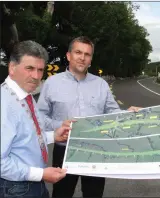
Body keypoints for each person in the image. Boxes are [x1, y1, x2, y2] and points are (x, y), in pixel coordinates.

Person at [37, 36, 140, 198]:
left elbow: (112, 112)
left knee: (94, 193)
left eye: (87, 54)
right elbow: (40, 116)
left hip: (96, 150)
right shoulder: (52, 83)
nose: (82, 57)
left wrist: (128, 113)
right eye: (78, 52)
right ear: (69, 55)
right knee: (62, 193)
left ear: (91, 59)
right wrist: (59, 125)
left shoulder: (100, 84)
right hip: (64, 150)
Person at [1, 40, 71, 198]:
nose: (36, 76)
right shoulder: (4, 104)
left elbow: (26, 138)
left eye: (40, 70)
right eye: (29, 68)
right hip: (15, 188)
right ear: (12, 67)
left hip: (32, 183)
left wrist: (54, 135)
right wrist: (40, 174)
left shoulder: (25, 95)